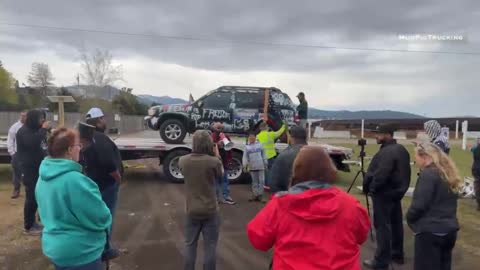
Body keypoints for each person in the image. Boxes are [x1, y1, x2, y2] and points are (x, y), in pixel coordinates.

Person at [247, 146, 370, 270]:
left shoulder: (280, 204)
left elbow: (259, 240)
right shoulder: (351, 205)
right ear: (330, 170)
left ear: (297, 171)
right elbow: (361, 236)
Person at [36, 128, 112, 270]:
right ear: (70, 150)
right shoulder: (76, 181)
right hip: (81, 252)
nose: (80, 149)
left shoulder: (42, 177)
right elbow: (100, 218)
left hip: (56, 249)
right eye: (78, 145)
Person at [363, 124, 411, 270]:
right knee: (396, 224)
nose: (376, 136)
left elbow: (381, 174)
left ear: (388, 135)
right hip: (396, 193)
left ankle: (381, 261)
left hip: (383, 194)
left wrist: (372, 188)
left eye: (379, 133)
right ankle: (397, 254)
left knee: (382, 226)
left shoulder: (387, 152)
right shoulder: (401, 150)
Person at [407, 142, 462, 270]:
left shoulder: (428, 174)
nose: (415, 160)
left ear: (425, 156)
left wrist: (410, 219)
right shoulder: (446, 173)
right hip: (449, 230)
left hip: (431, 232)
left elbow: (419, 205)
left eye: (416, 156)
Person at [179, 130, 224, 270]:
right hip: (210, 209)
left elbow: (183, 173)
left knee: (189, 245)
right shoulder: (213, 162)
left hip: (191, 209)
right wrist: (217, 155)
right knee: (210, 246)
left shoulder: (183, 160)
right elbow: (221, 177)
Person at [82, 107, 123, 259]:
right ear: (98, 120)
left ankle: (97, 246)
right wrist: (117, 177)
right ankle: (105, 250)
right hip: (106, 185)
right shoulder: (100, 138)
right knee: (107, 217)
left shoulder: (88, 138)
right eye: (103, 118)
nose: (105, 121)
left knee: (96, 216)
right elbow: (108, 162)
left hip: (95, 183)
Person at [16, 109, 50, 235]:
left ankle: (35, 222)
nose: (42, 120)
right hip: (28, 169)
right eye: (40, 118)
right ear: (33, 119)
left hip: (38, 168)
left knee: (38, 196)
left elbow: (42, 144)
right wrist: (44, 129)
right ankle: (28, 226)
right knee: (31, 197)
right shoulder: (24, 131)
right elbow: (32, 142)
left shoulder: (36, 130)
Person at [269, 126, 307, 193]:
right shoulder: (317, 155)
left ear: (291, 138)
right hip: (312, 200)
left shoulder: (284, 155)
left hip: (290, 198)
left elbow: (273, 183)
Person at [211, 122, 235, 205]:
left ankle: (226, 196)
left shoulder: (225, 136)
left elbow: (230, 148)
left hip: (224, 162)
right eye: (218, 128)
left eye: (221, 128)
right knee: (215, 181)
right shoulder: (211, 136)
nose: (219, 130)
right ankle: (215, 198)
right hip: (214, 162)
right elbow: (209, 148)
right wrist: (216, 145)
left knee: (225, 180)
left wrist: (229, 159)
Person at [256, 121, 286, 188]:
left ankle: (264, 184)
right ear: (266, 127)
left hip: (261, 156)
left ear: (260, 128)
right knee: (272, 170)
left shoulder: (257, 136)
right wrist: (284, 125)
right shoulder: (270, 134)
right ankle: (270, 184)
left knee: (264, 171)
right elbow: (279, 132)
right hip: (270, 156)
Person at [243, 130, 268, 202]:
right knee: (254, 181)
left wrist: (265, 163)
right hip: (252, 166)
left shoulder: (260, 145)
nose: (251, 138)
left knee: (262, 181)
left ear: (255, 137)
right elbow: (245, 157)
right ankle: (255, 195)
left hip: (261, 165)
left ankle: (260, 195)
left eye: (252, 137)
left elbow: (264, 154)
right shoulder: (247, 147)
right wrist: (245, 165)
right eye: (250, 137)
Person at [7, 110, 27, 199]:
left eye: (25, 116)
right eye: (22, 116)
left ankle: (30, 190)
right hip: (17, 153)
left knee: (30, 172)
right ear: (20, 116)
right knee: (16, 172)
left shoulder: (31, 126)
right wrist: (12, 152)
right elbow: (10, 139)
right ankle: (16, 189)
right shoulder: (15, 127)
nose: (23, 117)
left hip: (29, 153)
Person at [471, 138, 480, 211]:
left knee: (477, 185)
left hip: (476, 168)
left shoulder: (475, 149)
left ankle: (479, 203)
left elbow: (472, 150)